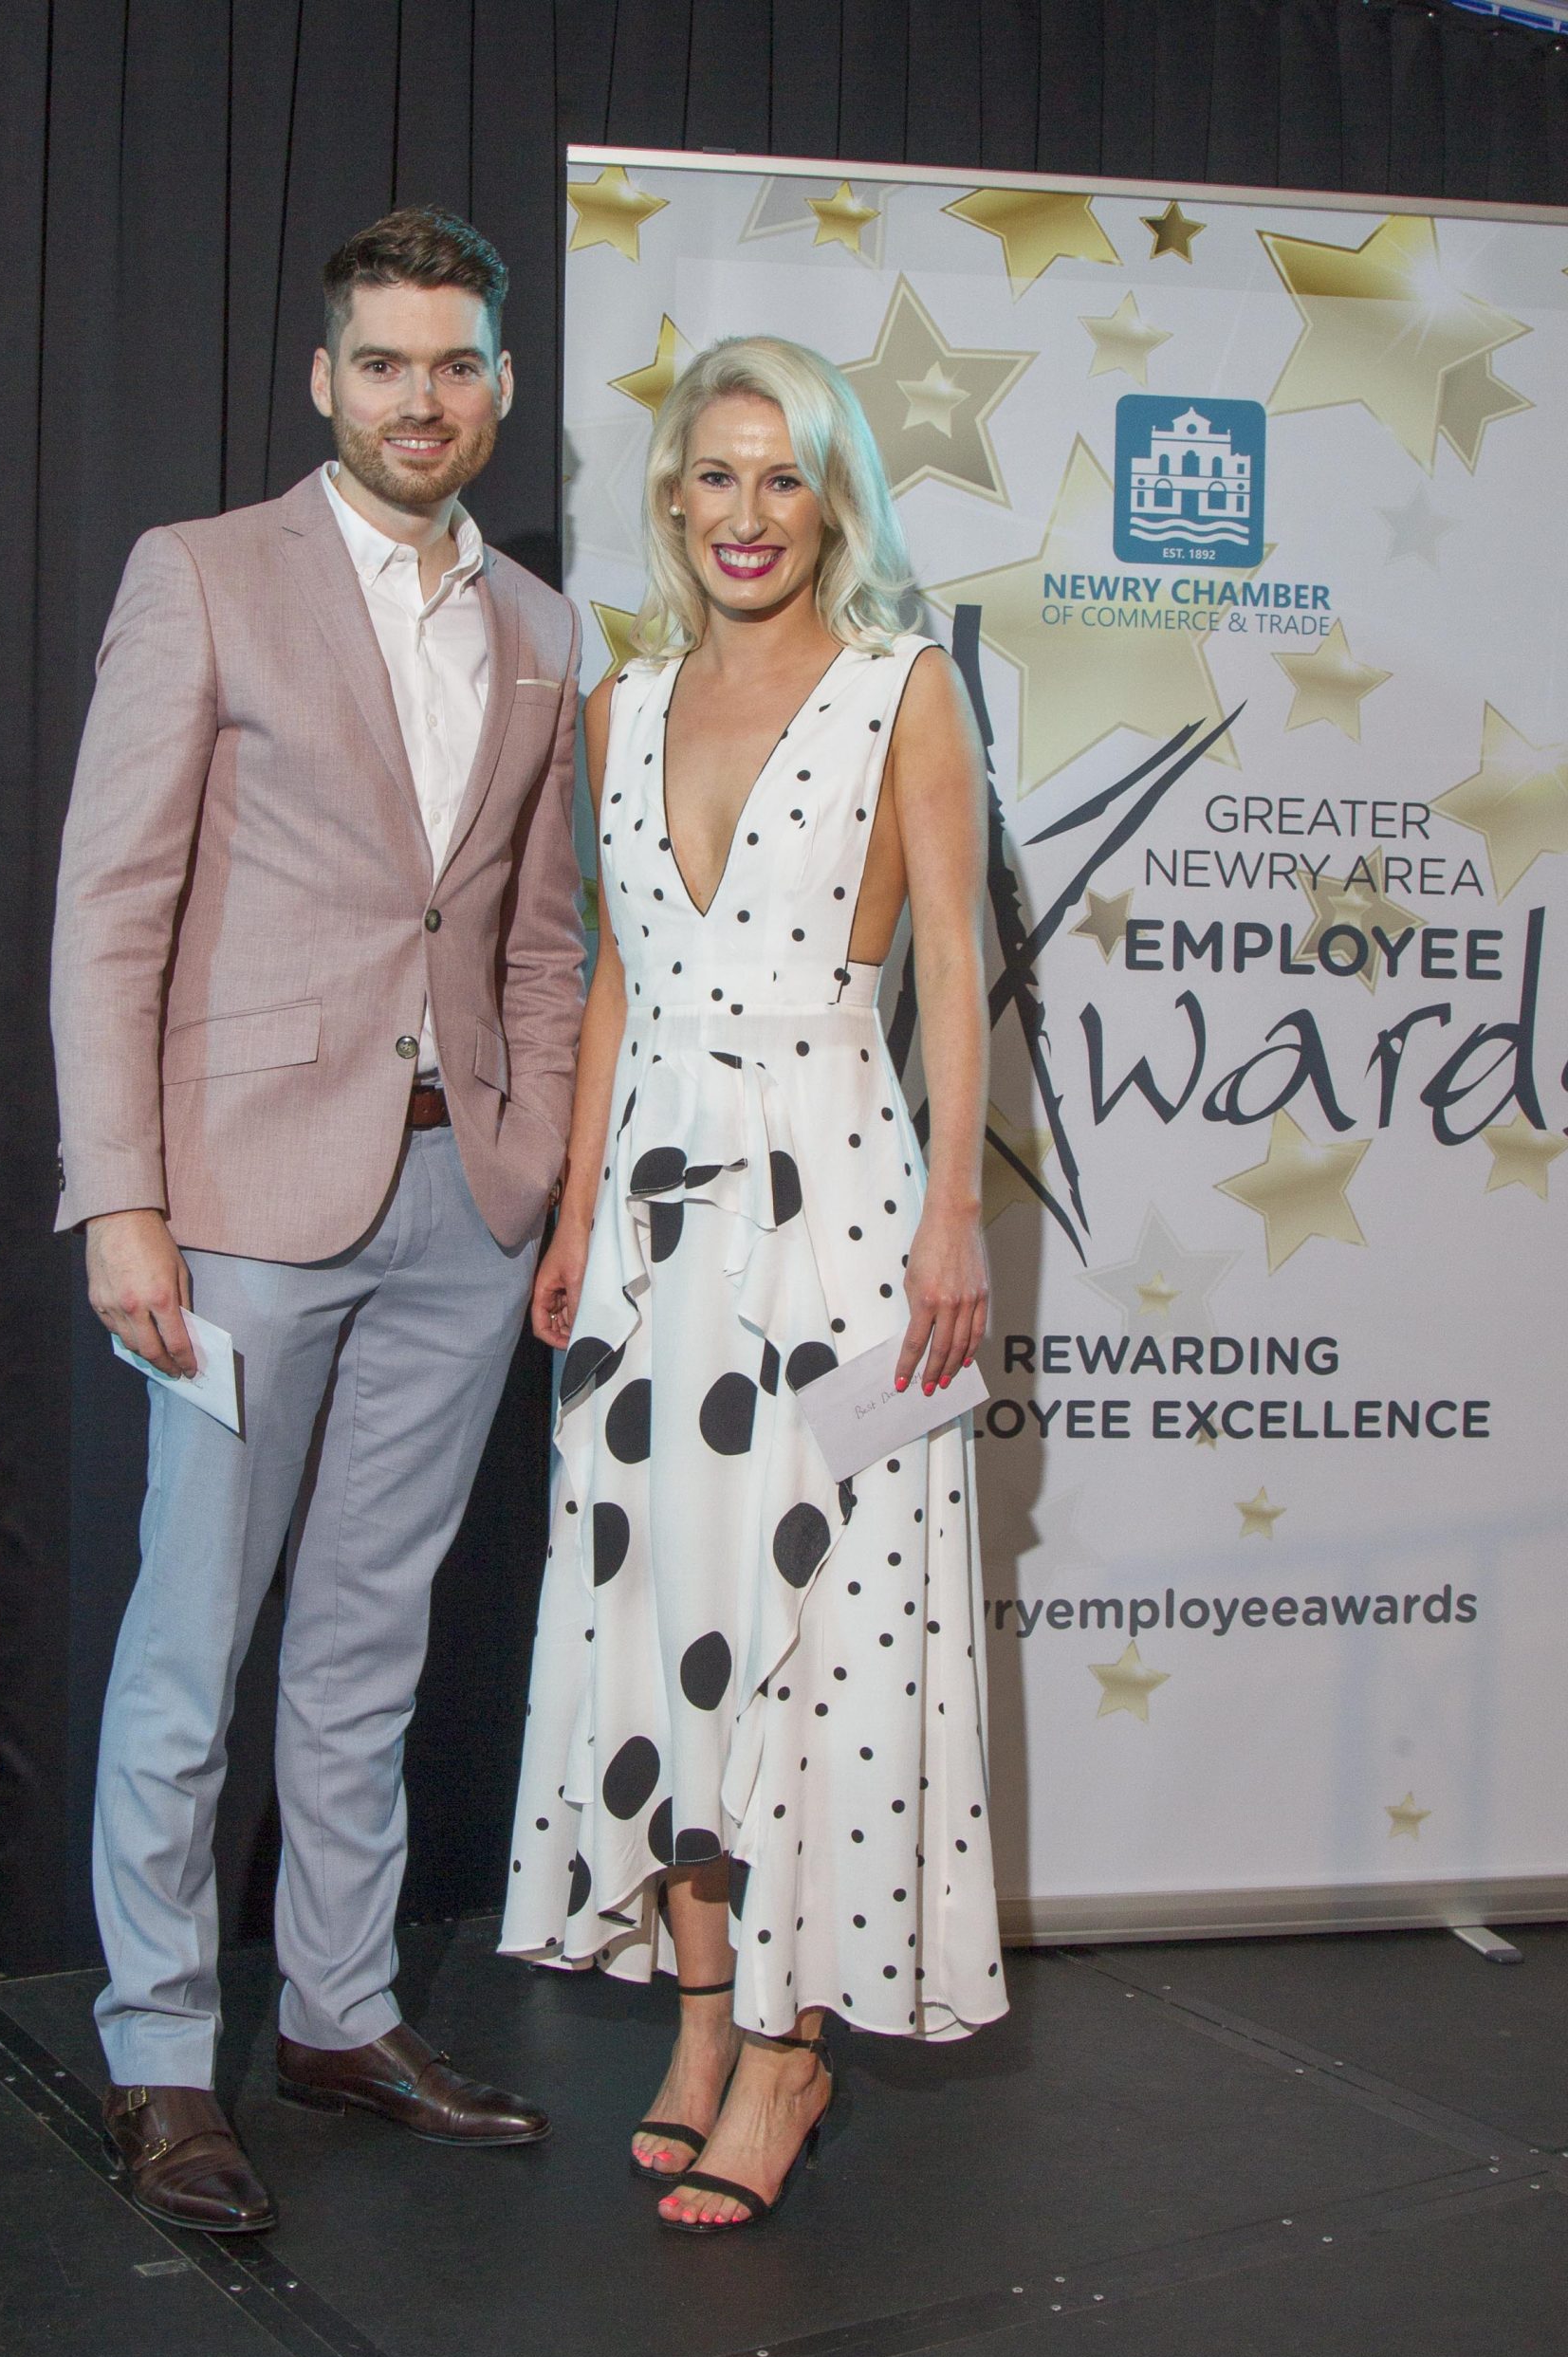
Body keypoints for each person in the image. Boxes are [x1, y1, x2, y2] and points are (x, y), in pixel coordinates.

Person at [50, 206, 585, 2235]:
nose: (417, 399)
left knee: (372, 1640)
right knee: (192, 1644)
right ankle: (161, 2053)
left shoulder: (546, 628)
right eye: (382, 364)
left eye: (452, 364)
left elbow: (542, 941)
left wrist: (535, 1172)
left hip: (464, 1203)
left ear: (499, 387)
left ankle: (343, 2014)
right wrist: (123, 1200)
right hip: (243, 1207)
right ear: (323, 380)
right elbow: (112, 906)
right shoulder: (200, 575)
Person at [499, 337, 1005, 2233]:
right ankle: (703, 2017)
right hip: (655, 1235)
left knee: (826, 1621)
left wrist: (955, 1212)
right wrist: (572, 1215)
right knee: (667, 1614)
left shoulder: (901, 687)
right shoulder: (619, 704)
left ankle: (793, 2047)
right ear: (672, 496)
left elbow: (950, 963)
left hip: (843, 1214)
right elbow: (618, 975)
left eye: (782, 476)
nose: (745, 512)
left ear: (831, 500)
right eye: (715, 474)